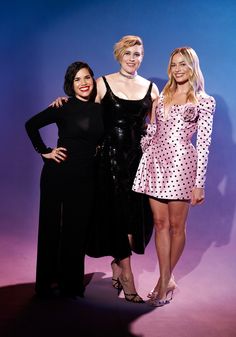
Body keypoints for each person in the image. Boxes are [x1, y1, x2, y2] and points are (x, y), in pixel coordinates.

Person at [52, 35, 159, 303]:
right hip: (108, 161)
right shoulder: (102, 84)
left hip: (138, 162)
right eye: (128, 53)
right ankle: (127, 277)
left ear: (142, 56)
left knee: (137, 223)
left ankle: (117, 263)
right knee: (117, 218)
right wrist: (62, 104)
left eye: (138, 53)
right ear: (119, 55)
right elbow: (81, 112)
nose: (133, 58)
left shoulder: (152, 89)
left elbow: (155, 129)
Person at [132, 46, 216, 306]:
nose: (178, 69)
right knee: (160, 224)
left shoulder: (204, 100)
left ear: (193, 67)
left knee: (177, 226)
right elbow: (152, 131)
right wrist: (145, 151)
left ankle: (163, 281)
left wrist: (199, 183)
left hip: (182, 164)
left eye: (183, 64)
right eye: (174, 64)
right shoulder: (162, 98)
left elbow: (204, 143)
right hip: (156, 163)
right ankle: (166, 280)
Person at [25, 61, 104, 299]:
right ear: (70, 84)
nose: (83, 83)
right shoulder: (63, 106)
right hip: (58, 174)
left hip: (87, 177)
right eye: (77, 79)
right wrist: (44, 150)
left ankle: (71, 284)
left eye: (87, 77)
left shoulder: (101, 108)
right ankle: (46, 284)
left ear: (94, 80)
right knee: (52, 228)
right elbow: (31, 125)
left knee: (76, 230)